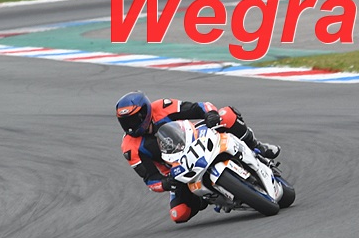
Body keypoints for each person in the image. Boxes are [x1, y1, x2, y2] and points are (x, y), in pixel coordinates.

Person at [116, 90, 279, 223]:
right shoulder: (129, 147)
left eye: (134, 119)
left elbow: (199, 107)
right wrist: (165, 183)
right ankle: (208, 197)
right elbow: (150, 180)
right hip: (177, 171)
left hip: (195, 139)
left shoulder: (162, 107)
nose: (130, 126)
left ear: (145, 111)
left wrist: (211, 114)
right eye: (125, 122)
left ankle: (257, 146)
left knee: (226, 114)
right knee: (179, 214)